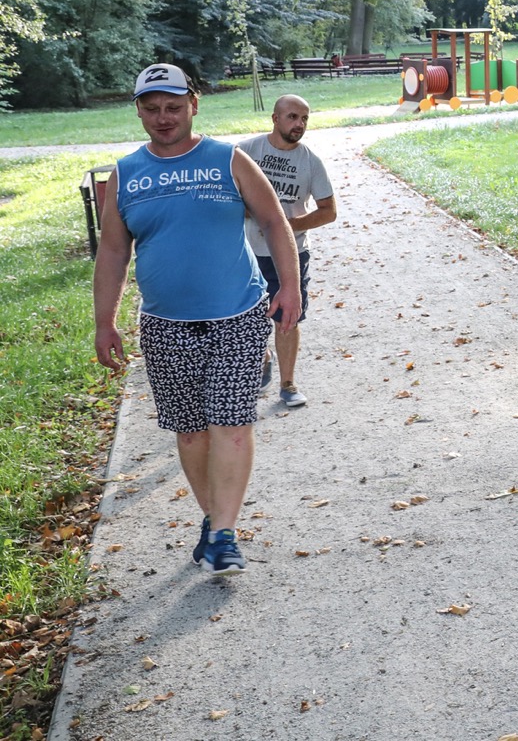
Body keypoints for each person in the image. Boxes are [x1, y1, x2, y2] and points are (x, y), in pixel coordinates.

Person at [93, 63, 302, 576]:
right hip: (165, 323)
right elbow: (114, 253)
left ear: (193, 105)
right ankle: (213, 519)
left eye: (173, 106)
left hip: (237, 312)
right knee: (190, 432)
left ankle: (226, 534)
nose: (163, 118)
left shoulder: (227, 160)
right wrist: (105, 321)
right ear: (139, 110)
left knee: (230, 421)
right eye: (151, 108)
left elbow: (275, 221)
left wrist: (290, 285)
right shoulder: (125, 173)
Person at [237, 94, 338, 408]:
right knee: (247, 319)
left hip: (291, 254)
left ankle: (288, 383)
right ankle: (263, 357)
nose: (300, 124)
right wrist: (258, 215)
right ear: (275, 118)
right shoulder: (247, 152)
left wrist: (285, 225)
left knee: (288, 319)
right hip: (246, 252)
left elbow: (328, 211)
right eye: (293, 117)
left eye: (305, 119)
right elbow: (226, 197)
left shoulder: (310, 161)